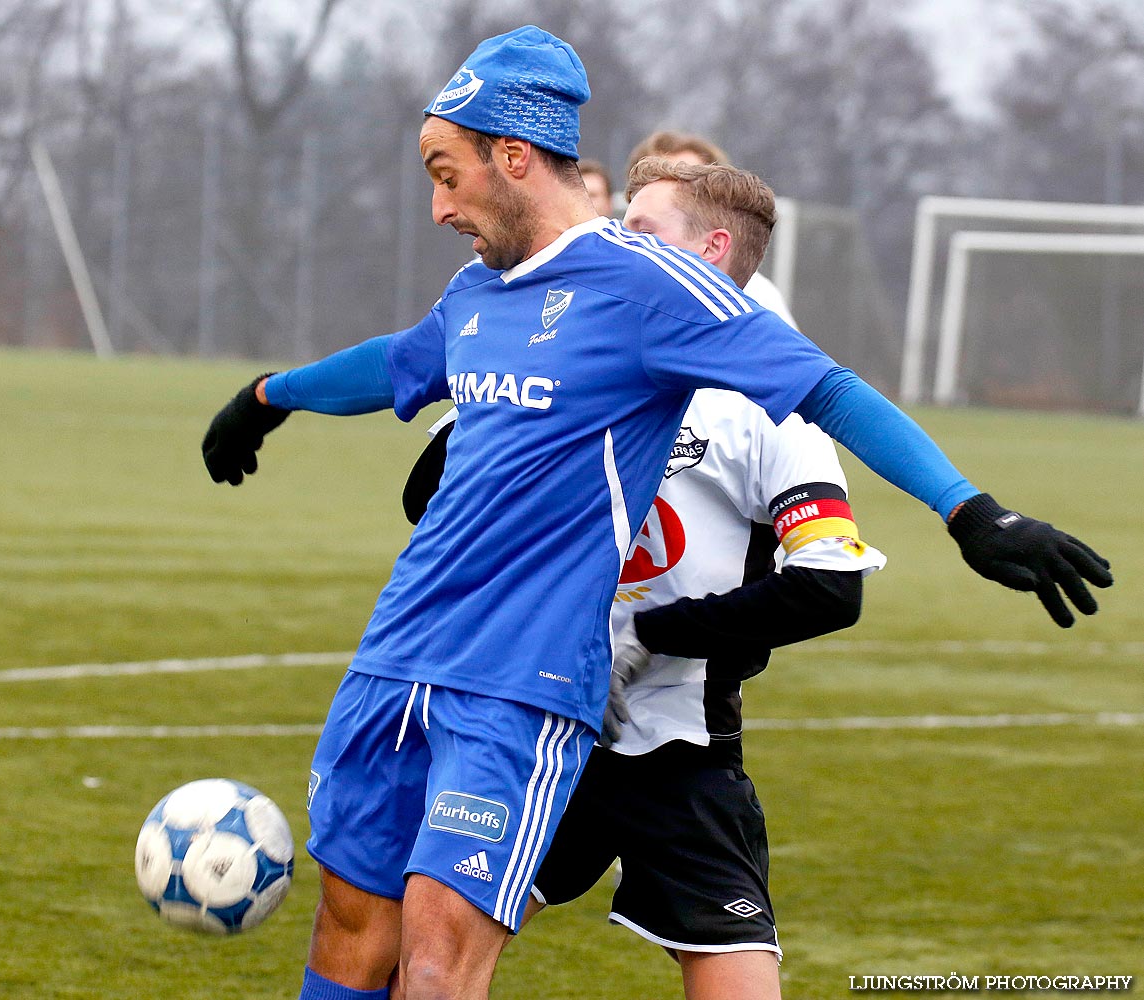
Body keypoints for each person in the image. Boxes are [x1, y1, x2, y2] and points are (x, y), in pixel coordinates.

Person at [199, 25, 1112, 1000]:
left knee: (434, 960)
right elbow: (397, 364)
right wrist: (270, 395)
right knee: (348, 937)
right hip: (395, 656)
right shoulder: (476, 293)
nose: (438, 206)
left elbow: (827, 390)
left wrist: (969, 509)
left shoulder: (652, 286)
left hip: (522, 684)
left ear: (512, 157)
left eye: (447, 173)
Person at [404, 156, 888, 1000]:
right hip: (538, 727)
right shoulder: (584, 363)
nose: (614, 245)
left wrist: (645, 637)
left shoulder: (772, 409)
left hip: (681, 751)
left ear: (705, 254)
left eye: (637, 231)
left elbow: (828, 587)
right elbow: (427, 499)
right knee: (420, 964)